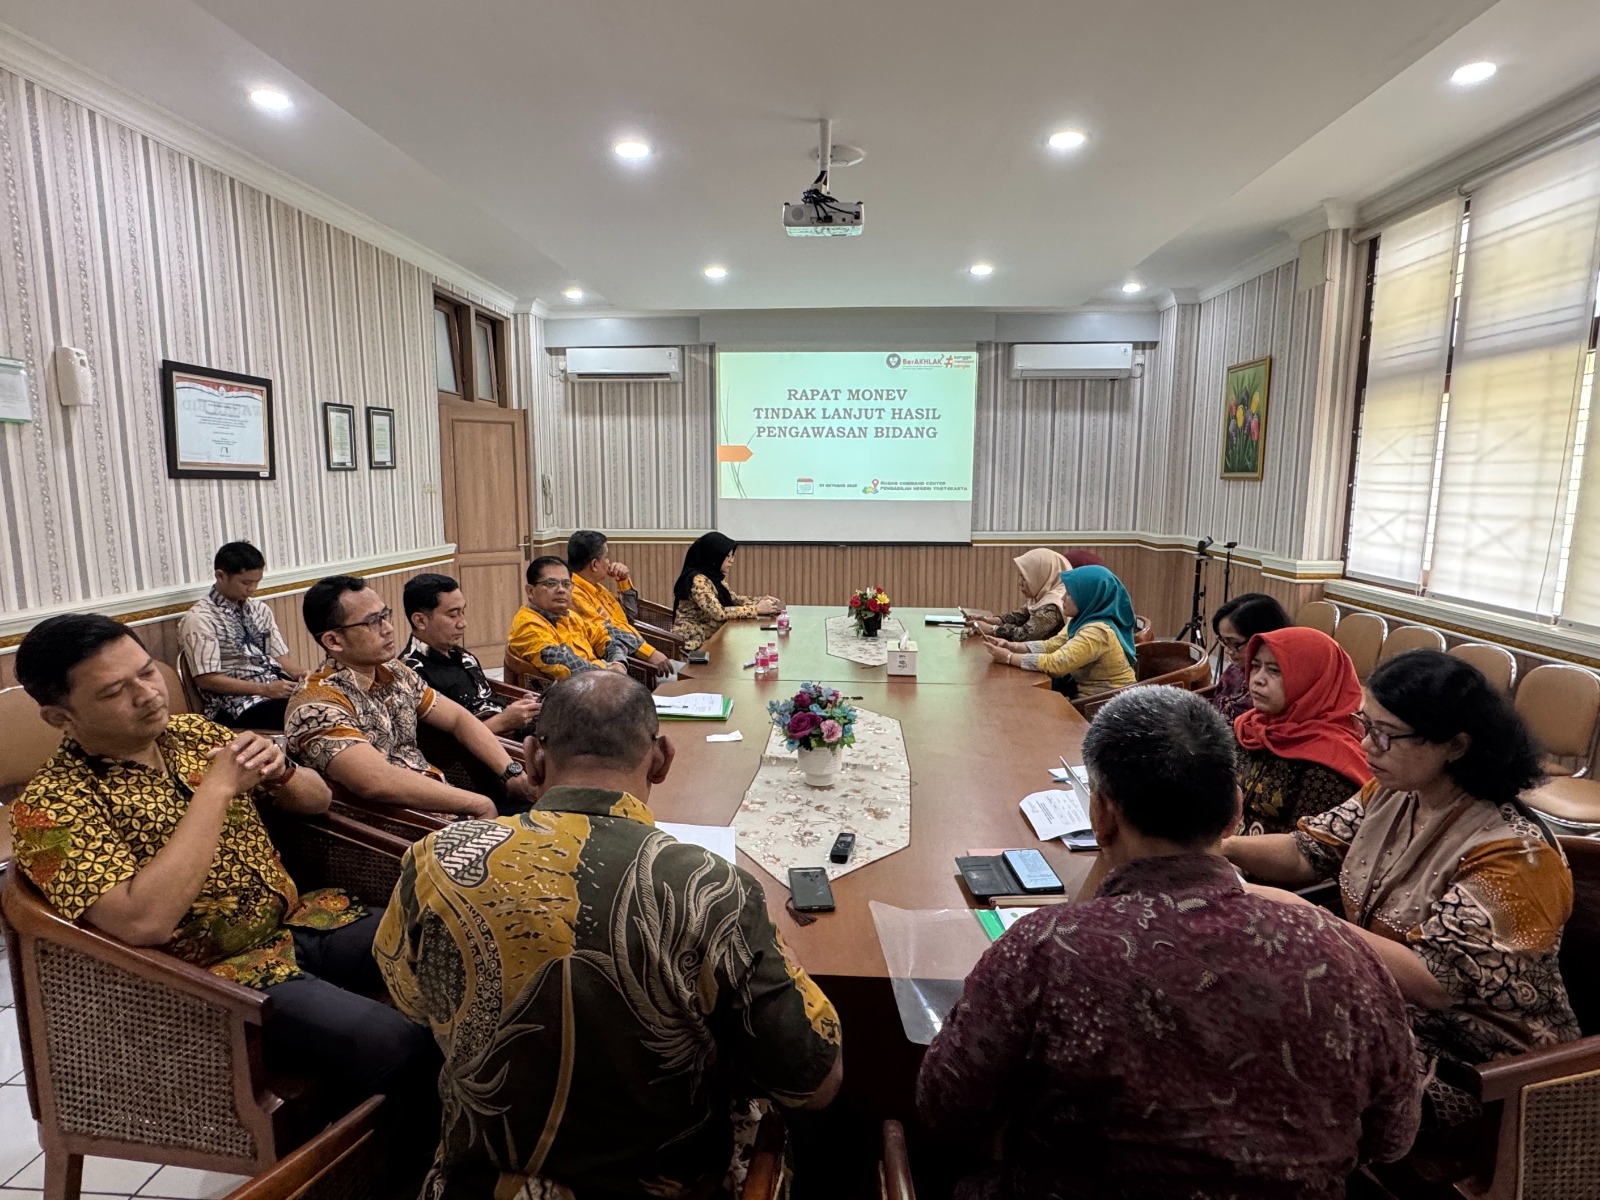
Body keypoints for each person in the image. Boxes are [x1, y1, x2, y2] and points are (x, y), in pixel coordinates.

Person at [917, 687, 1419, 1200]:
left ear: (1102, 815)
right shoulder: (1343, 952)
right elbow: (1393, 1138)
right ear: (1234, 814)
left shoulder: (1045, 950)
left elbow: (946, 1105)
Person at [375, 671, 843, 1199]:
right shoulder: (714, 889)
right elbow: (814, 1082)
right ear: (662, 759)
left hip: (474, 1182)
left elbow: (413, 999)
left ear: (531, 757)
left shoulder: (435, 861)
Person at [8, 614, 439, 1186]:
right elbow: (142, 922)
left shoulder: (194, 734)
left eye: (147, 674)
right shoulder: (50, 809)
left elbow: (316, 803)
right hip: (215, 981)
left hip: (300, 922)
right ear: (61, 716)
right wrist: (215, 790)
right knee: (399, 1046)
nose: (146, 695)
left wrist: (284, 771)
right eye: (116, 690)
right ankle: (413, 1179)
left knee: (444, 936)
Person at [1224, 650, 1578, 1174]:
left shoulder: (1513, 856)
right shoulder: (1395, 794)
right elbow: (1309, 851)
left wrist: (1307, 917)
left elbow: (1435, 983)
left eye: (1388, 734)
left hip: (1480, 1065)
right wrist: (1213, 849)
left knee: (1269, 1061)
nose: (1367, 745)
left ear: (1456, 745)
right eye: (1366, 725)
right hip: (1386, 1006)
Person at [285, 575, 531, 819]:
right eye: (373, 622)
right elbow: (375, 780)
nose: (388, 628)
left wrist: (511, 773)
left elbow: (457, 718)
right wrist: (478, 804)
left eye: (385, 615)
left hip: (448, 806)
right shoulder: (315, 704)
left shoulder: (394, 670)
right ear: (333, 641)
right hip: (402, 829)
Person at [1233, 626, 1372, 834]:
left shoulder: (1330, 762)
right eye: (1255, 666)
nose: (1258, 679)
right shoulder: (1249, 727)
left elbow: (1304, 851)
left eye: (1274, 670)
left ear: (1311, 680)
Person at [178, 541, 308, 729]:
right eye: (245, 583)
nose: (252, 589)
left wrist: (300, 674)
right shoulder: (200, 619)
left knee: (328, 699)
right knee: (306, 714)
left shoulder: (259, 610)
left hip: (274, 688)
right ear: (220, 576)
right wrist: (265, 690)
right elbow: (206, 679)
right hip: (236, 705)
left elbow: (275, 654)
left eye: (256, 582)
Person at [401, 572, 540, 739]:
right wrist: (503, 721)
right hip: (488, 753)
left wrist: (519, 709)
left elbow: (486, 700)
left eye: (462, 612)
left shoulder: (461, 655)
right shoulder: (410, 674)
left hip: (513, 734)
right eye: (453, 615)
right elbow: (442, 746)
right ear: (420, 621)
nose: (463, 623)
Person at [980, 564, 1138, 698]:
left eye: (1069, 594)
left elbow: (1056, 665)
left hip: (1104, 706)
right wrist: (1010, 646)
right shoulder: (1081, 621)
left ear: (1088, 597)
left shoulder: (1097, 632)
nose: (1062, 599)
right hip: (1086, 697)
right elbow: (1052, 645)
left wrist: (1008, 657)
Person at [508, 556, 636, 681]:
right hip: (567, 696)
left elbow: (605, 638)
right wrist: (610, 671)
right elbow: (569, 668)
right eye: (551, 583)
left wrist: (619, 663)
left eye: (566, 584)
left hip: (598, 685)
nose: (561, 590)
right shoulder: (528, 625)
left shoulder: (570, 615)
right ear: (530, 591)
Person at [566, 530, 673, 673]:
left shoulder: (596, 587)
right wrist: (649, 653)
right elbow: (607, 631)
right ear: (594, 564)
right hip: (628, 663)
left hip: (638, 654)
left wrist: (623, 581)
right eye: (606, 557)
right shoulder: (574, 595)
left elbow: (629, 616)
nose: (609, 562)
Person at [670, 532, 782, 651]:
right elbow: (719, 613)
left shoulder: (713, 578)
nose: (731, 561)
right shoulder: (698, 581)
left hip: (711, 640)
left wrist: (761, 600)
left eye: (732, 556)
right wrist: (757, 609)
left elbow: (734, 600)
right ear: (714, 556)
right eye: (727, 556)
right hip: (693, 647)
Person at [1208, 592, 1291, 722]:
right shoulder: (1237, 668)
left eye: (1235, 643)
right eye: (1224, 642)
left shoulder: (1278, 682)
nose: (1229, 651)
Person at [960, 548, 1070, 642]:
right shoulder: (1042, 596)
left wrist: (991, 629)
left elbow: (1026, 635)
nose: (1020, 583)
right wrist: (988, 620)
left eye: (1025, 578)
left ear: (1042, 575)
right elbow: (1019, 616)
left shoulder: (1053, 605)